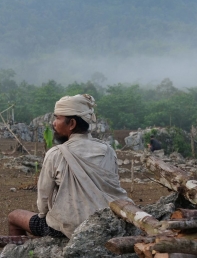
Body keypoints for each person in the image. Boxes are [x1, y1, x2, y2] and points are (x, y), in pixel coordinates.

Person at [8, 94, 132, 238]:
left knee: (14, 216)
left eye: (57, 118)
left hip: (67, 228)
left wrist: (47, 215)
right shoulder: (108, 150)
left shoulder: (56, 154)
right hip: (108, 222)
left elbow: (42, 205)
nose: (54, 123)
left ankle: (16, 256)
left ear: (71, 124)